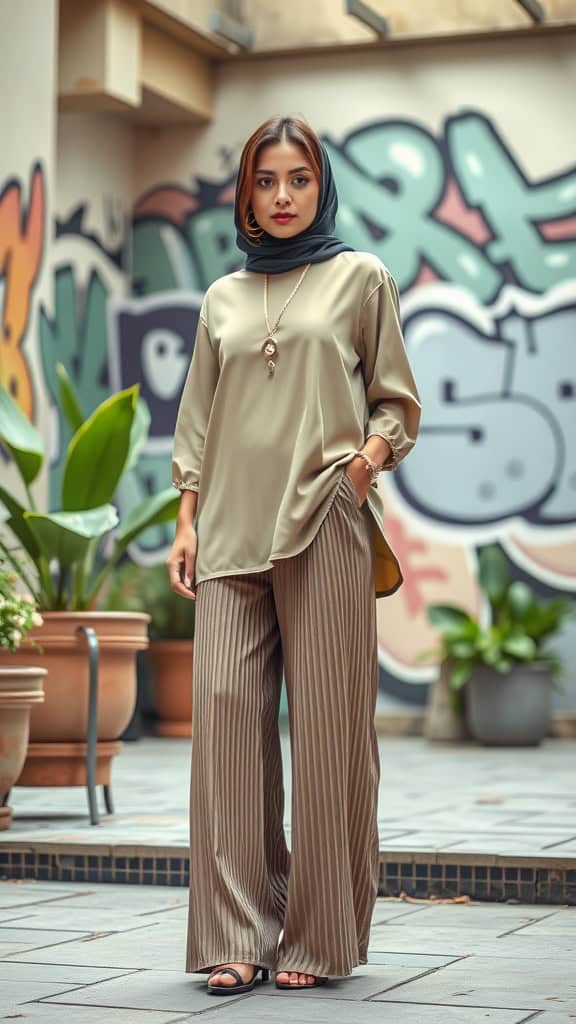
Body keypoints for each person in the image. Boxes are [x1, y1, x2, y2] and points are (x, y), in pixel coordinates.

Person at [167, 114, 421, 995]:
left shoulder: (361, 277)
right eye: (266, 181)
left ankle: (317, 938)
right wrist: (187, 517)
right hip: (231, 533)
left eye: (299, 180)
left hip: (326, 524)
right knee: (229, 732)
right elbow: (197, 417)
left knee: (327, 736)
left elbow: (396, 402)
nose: (282, 197)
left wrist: (364, 466)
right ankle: (237, 933)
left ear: (322, 185)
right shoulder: (221, 300)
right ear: (246, 191)